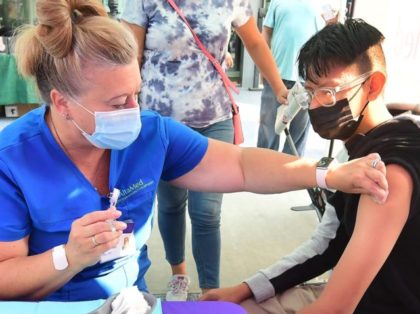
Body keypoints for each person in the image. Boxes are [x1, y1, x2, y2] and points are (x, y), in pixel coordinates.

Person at [0, 0, 387, 301]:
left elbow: (240, 165)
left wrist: (325, 173)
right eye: (118, 104)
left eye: (136, 94)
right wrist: (67, 257)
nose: (134, 113)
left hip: (131, 301)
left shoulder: (151, 134)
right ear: (62, 102)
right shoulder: (13, 159)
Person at [201, 19, 420, 313]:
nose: (315, 105)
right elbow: (327, 243)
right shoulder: (360, 151)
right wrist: (246, 288)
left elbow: (336, 308)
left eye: (327, 92)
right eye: (309, 91)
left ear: (373, 85)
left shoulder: (386, 172)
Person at [120, 0, 291, 300]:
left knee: (207, 212)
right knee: (171, 205)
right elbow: (129, 56)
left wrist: (279, 88)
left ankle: (211, 289)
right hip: (161, 125)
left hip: (215, 117)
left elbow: (254, 41)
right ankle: (179, 275)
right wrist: (122, 105)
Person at [256, 0, 326, 156]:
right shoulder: (276, 1)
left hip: (308, 80)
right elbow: (266, 33)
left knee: (297, 134)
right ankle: (263, 167)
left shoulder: (324, 3)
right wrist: (263, 68)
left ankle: (289, 173)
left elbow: (329, 38)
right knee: (268, 128)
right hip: (276, 76)